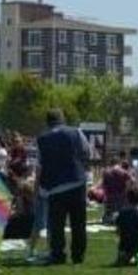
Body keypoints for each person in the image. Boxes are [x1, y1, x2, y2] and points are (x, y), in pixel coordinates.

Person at [36, 109, 91, 266]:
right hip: (76, 182)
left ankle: (58, 254)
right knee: (78, 223)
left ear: (48, 122)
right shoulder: (76, 132)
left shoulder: (42, 139)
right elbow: (87, 152)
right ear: (62, 119)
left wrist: (39, 188)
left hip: (55, 187)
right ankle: (78, 256)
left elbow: (40, 165)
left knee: (57, 225)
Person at [114, 188, 138, 267]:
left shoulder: (121, 213)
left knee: (122, 259)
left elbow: (118, 231)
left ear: (127, 199)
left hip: (124, 245)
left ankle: (125, 257)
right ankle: (136, 257)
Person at [100, 155, 132, 225]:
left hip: (109, 195)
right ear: (118, 163)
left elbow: (104, 184)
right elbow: (131, 181)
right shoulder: (123, 171)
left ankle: (109, 220)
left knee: (109, 211)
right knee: (120, 210)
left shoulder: (106, 172)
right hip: (121, 195)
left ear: (110, 163)